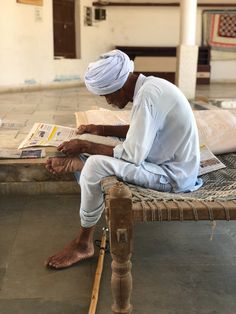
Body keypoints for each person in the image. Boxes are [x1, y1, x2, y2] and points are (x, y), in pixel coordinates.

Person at [45, 49, 202, 269]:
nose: (108, 101)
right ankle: (85, 165)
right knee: (96, 146)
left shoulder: (149, 95)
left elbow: (132, 155)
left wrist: (87, 145)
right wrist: (99, 129)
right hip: (158, 159)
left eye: (107, 95)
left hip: (171, 176)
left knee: (94, 162)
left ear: (120, 86)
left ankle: (83, 244)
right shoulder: (150, 86)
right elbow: (141, 129)